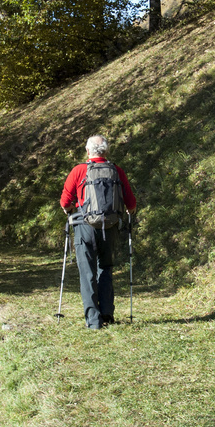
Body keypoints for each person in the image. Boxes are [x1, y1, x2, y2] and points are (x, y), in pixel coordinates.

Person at [60, 135, 136, 329]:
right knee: (106, 268)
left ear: (88, 151)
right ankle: (107, 314)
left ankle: (93, 321)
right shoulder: (116, 171)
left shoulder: (79, 170)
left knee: (87, 273)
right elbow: (131, 203)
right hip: (110, 226)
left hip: (84, 226)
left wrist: (69, 211)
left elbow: (65, 202)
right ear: (106, 151)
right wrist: (128, 213)